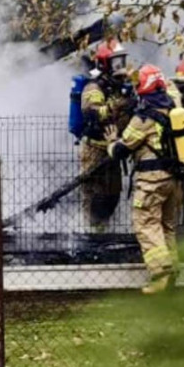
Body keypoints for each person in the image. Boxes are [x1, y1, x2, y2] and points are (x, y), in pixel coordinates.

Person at [111, 64, 184, 293]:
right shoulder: (174, 104)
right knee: (167, 226)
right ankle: (173, 272)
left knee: (146, 225)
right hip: (174, 178)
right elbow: (171, 87)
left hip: (152, 181)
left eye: (139, 84)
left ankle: (160, 276)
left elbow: (123, 148)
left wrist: (111, 143)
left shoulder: (144, 116)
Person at [78, 40, 132, 228]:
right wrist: (117, 105)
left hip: (112, 148)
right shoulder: (94, 87)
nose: (121, 67)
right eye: (116, 63)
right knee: (94, 196)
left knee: (112, 195)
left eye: (122, 61)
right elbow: (92, 113)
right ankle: (91, 236)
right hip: (95, 150)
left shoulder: (119, 86)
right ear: (105, 63)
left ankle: (105, 231)